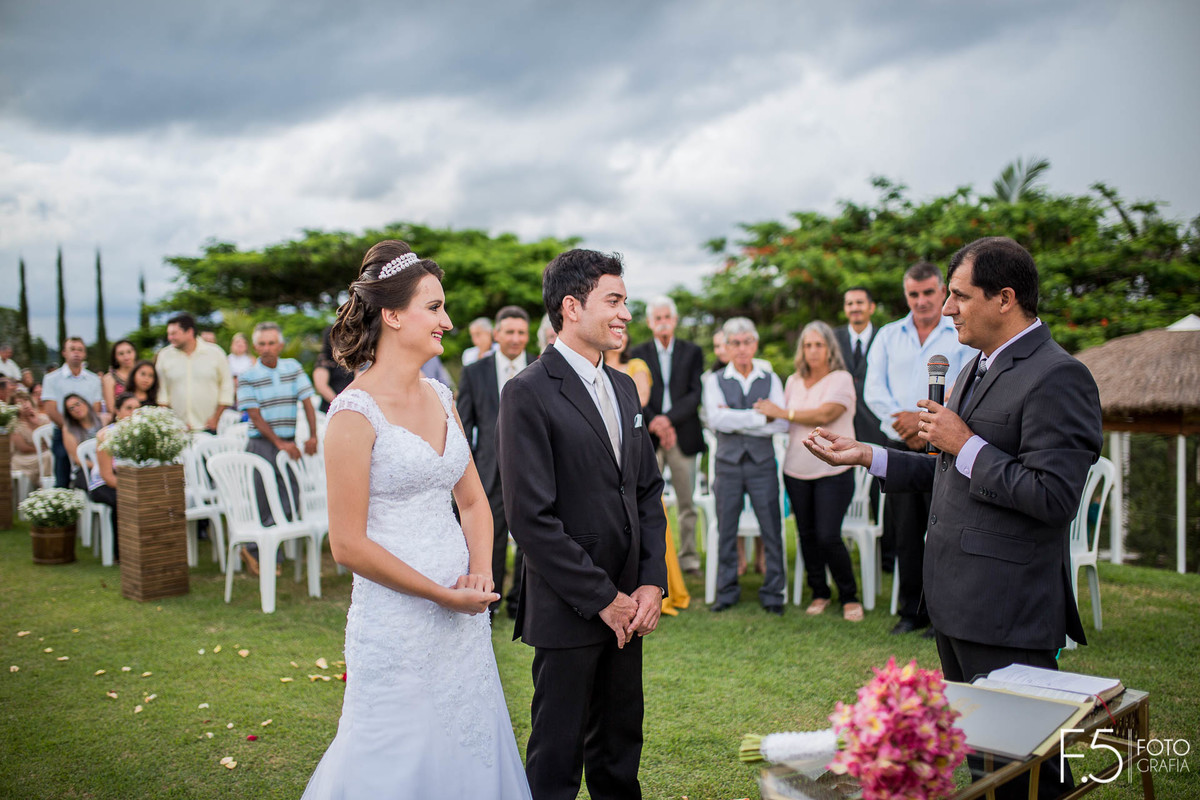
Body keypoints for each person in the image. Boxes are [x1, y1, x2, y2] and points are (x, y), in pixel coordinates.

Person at [806, 236, 1101, 800]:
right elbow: (946, 471)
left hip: (1007, 606)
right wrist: (868, 455)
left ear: (1005, 298)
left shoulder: (1058, 376)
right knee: (985, 765)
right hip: (956, 601)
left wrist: (966, 443)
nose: (946, 309)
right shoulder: (973, 369)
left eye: (960, 297)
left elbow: (1054, 497)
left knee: (1033, 772)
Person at [302, 240, 530, 800]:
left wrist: (478, 575)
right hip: (396, 622)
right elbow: (348, 545)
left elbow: (475, 503)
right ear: (393, 314)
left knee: (466, 742)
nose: (448, 321)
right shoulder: (353, 414)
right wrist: (437, 594)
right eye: (434, 307)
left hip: (462, 614)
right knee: (392, 756)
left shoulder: (440, 394)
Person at [497, 248, 667, 800]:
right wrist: (603, 598)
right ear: (572, 306)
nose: (625, 313)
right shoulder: (527, 392)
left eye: (626, 301)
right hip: (570, 607)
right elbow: (531, 518)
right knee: (556, 758)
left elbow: (645, 490)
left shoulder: (624, 387)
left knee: (620, 752)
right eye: (613, 301)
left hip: (630, 604)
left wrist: (648, 582)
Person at [864, 262, 975, 636]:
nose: (922, 300)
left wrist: (924, 423)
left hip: (946, 443)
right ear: (905, 294)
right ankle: (911, 610)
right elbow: (873, 389)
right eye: (913, 294)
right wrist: (906, 423)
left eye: (929, 292)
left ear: (942, 290)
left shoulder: (958, 332)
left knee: (944, 529)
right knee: (905, 531)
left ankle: (943, 614)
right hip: (899, 440)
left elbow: (966, 384)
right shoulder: (887, 335)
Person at [754, 321, 862, 621]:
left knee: (828, 535)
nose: (813, 351)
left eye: (819, 345)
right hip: (796, 470)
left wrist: (783, 413)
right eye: (807, 345)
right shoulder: (792, 381)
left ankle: (849, 595)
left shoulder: (841, 379)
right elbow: (778, 421)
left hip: (834, 470)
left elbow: (826, 415)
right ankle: (820, 592)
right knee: (807, 535)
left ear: (830, 349)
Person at [703, 317, 788, 614]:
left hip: (763, 463)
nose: (741, 348)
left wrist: (735, 419)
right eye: (734, 343)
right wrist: (757, 417)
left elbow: (780, 424)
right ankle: (726, 591)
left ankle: (774, 592)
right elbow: (716, 420)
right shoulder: (714, 381)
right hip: (726, 465)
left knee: (771, 528)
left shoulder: (771, 377)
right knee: (726, 528)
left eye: (746, 342)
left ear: (755, 344)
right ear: (726, 347)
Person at [608, 330, 690, 618]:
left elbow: (639, 401)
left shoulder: (635, 368)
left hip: (633, 443)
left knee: (649, 511)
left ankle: (659, 584)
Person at [456, 305, 531, 618]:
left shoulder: (541, 367)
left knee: (533, 537)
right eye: (509, 332)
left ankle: (523, 601)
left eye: (521, 332)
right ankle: (493, 599)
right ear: (496, 334)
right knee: (492, 535)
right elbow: (463, 425)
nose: (515, 339)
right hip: (489, 468)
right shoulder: (475, 372)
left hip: (532, 469)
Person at [630, 296, 706, 577]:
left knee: (687, 504)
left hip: (683, 435)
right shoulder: (639, 354)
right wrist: (656, 422)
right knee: (647, 503)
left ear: (674, 321)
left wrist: (668, 420)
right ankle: (649, 562)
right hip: (649, 436)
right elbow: (637, 395)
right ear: (650, 323)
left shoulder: (692, 351)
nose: (663, 323)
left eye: (667, 317)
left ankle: (689, 560)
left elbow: (695, 393)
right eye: (657, 318)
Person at [235, 322, 319, 575]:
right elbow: (254, 416)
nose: (267, 348)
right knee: (263, 499)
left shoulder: (292, 368)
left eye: (271, 343)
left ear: (280, 345)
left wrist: (313, 436)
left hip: (288, 441)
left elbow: (307, 402)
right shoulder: (248, 376)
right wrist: (280, 444)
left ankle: (272, 550)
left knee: (289, 497)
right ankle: (256, 551)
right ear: (255, 346)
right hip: (261, 444)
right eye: (261, 343)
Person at [833, 287, 891, 567]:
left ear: (871, 307)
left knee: (879, 487)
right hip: (841, 423)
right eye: (849, 303)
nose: (854, 308)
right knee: (841, 485)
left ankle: (885, 554)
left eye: (859, 303)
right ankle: (839, 547)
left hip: (875, 425)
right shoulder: (834, 338)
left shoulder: (885, 337)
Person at [155, 312, 234, 433]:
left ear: (189, 332)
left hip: (210, 427)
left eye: (174, 333)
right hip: (177, 430)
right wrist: (171, 423)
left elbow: (226, 388)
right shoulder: (164, 356)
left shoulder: (216, 353)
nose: (170, 338)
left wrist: (216, 419)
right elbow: (162, 393)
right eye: (169, 334)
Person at [41, 337, 103, 488]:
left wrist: (86, 427)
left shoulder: (93, 379)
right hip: (62, 431)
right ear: (64, 353)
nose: (76, 353)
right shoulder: (51, 379)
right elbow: (51, 409)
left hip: (90, 432)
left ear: (85, 354)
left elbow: (96, 407)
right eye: (72, 349)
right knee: (62, 475)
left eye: (80, 349)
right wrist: (70, 429)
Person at [87, 392, 142, 558]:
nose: (133, 413)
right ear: (117, 412)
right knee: (123, 500)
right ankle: (122, 553)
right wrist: (132, 489)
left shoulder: (144, 433)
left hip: (131, 481)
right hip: (104, 483)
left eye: (138, 409)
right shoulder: (106, 435)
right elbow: (107, 476)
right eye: (128, 408)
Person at [60, 393, 104, 489]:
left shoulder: (103, 419)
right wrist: (97, 467)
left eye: (77, 404)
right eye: (71, 408)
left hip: (106, 463)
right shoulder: (68, 430)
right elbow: (77, 458)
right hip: (85, 468)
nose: (76, 409)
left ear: (85, 403)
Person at [9, 389, 52, 485]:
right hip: (24, 457)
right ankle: (43, 485)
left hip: (44, 452)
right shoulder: (14, 425)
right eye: (19, 403)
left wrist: (36, 424)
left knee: (48, 456)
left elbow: (50, 440)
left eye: (25, 401)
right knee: (47, 456)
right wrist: (39, 449)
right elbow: (22, 447)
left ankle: (46, 485)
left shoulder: (43, 418)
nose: (24, 405)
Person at [313, 326, 355, 413]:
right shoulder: (324, 360)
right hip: (331, 408)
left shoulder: (350, 359)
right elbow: (322, 387)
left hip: (350, 405)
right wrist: (340, 403)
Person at [101, 339, 138, 414]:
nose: (126, 357)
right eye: (121, 354)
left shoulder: (143, 373)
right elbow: (111, 409)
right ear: (115, 357)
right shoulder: (109, 378)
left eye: (129, 352)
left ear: (135, 353)